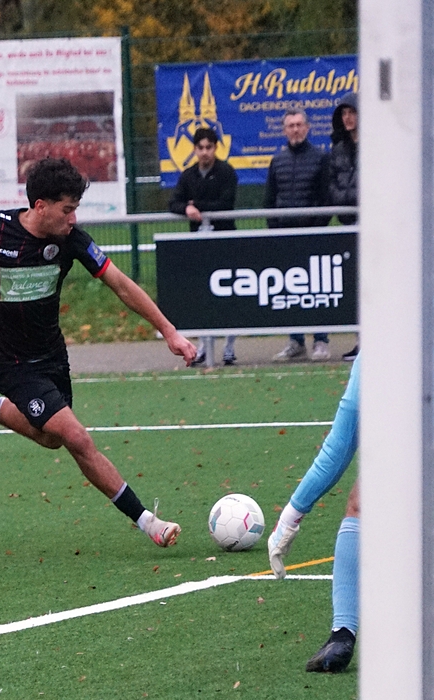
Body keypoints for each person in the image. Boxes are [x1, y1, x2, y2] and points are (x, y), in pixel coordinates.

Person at [0, 158, 196, 548]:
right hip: (13, 365)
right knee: (76, 437)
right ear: (40, 206)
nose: (73, 218)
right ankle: (147, 521)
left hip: (53, 359)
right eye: (67, 210)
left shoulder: (72, 240)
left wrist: (169, 332)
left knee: (51, 438)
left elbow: (120, 283)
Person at [268, 355, 360, 673]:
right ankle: (342, 635)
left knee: (361, 507)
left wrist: (290, 516)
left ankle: (342, 634)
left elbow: (342, 441)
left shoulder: (388, 344)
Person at [264, 108, 332, 362]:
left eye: (299, 124)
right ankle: (296, 341)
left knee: (317, 287)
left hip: (313, 236)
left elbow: (326, 199)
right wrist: (275, 229)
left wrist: (316, 226)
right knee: (291, 289)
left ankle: (321, 340)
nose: (295, 129)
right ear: (284, 130)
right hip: (286, 236)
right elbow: (270, 200)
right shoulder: (277, 161)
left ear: (307, 127)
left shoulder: (320, 158)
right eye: (291, 125)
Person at [168, 126, 239, 365]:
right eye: (200, 147)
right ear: (195, 149)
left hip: (224, 243)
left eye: (209, 147)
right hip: (199, 246)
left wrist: (196, 204)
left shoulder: (226, 172)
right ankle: (204, 346)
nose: (205, 152)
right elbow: (174, 202)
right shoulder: (188, 175)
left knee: (228, 294)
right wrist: (186, 208)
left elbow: (226, 203)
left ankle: (229, 346)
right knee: (202, 294)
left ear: (216, 148)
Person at [327, 93, 360, 362]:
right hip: (348, 223)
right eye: (344, 113)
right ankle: (362, 341)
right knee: (354, 284)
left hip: (372, 224)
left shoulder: (377, 144)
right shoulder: (338, 149)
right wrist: (344, 201)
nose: (348, 118)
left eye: (352, 112)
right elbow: (332, 184)